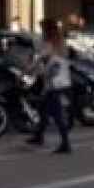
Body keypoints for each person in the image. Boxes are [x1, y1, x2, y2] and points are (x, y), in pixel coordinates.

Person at [27, 19, 73, 154]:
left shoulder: (52, 43)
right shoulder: (59, 42)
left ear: (48, 29)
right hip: (59, 81)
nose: (41, 30)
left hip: (54, 84)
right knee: (43, 110)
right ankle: (38, 136)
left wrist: (30, 69)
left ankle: (65, 144)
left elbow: (43, 58)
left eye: (42, 28)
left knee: (56, 114)